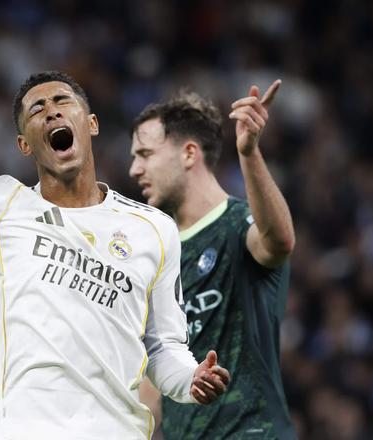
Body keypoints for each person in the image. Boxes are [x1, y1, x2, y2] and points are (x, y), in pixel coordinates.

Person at [0, 35, 230, 440]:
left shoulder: (152, 229)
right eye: (37, 109)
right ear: (24, 144)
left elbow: (162, 347)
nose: (51, 111)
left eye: (62, 101)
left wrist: (190, 379)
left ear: (91, 124)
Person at [129, 83, 296, 439]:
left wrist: (248, 153)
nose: (134, 169)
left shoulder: (238, 225)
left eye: (145, 154)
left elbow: (279, 241)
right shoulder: (156, 255)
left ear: (189, 154)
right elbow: (152, 385)